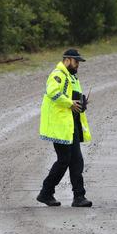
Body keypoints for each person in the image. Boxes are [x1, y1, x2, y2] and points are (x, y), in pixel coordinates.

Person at [37, 49, 93, 207]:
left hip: (71, 126)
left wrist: (81, 105)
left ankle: (79, 197)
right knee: (64, 161)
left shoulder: (72, 77)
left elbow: (73, 97)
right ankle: (46, 192)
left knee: (76, 160)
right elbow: (53, 92)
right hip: (59, 127)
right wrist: (70, 103)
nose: (78, 66)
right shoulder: (58, 74)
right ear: (67, 60)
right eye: (76, 62)